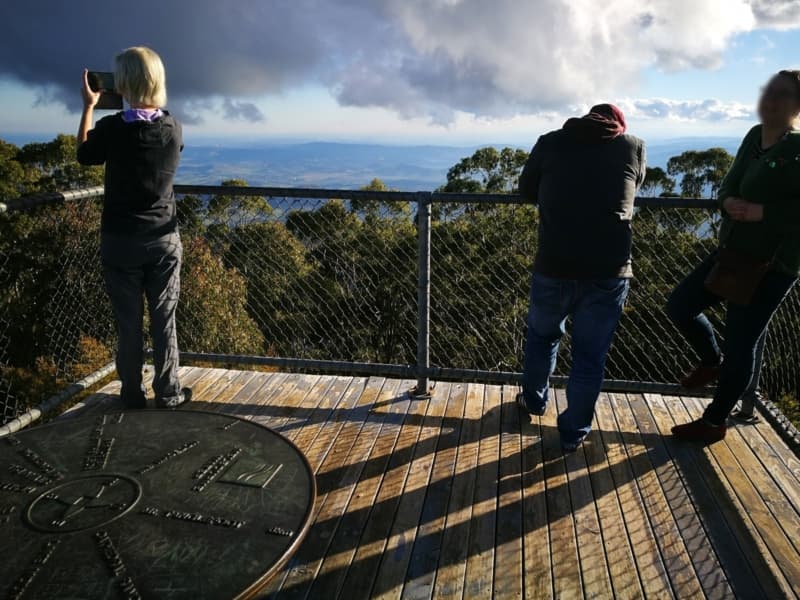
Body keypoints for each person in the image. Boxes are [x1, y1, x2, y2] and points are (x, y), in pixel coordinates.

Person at [668, 70, 800, 443]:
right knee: (680, 305)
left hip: (772, 266)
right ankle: (711, 363)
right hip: (732, 253)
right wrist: (728, 202)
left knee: (742, 344)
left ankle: (715, 421)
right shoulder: (753, 136)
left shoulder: (797, 148)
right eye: (768, 91)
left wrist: (764, 213)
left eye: (782, 95)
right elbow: (729, 182)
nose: (770, 100)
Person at [517, 104, 646, 452]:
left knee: (541, 337)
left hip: (554, 263)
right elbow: (635, 184)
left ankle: (533, 401)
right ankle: (574, 432)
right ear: (619, 125)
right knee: (590, 356)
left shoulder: (550, 142)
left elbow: (526, 190)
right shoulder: (632, 146)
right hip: (609, 268)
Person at [76, 46, 191, 409]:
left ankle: (130, 393)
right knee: (163, 317)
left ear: (122, 84)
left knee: (128, 323)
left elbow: (84, 154)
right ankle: (169, 392)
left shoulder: (111, 129)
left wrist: (90, 105)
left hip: (120, 240)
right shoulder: (173, 128)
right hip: (163, 239)